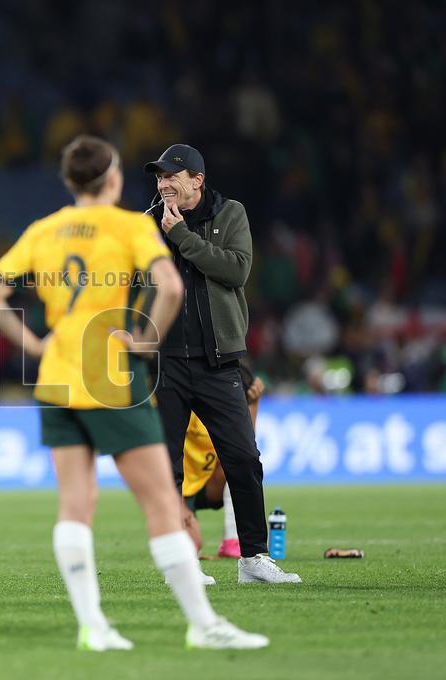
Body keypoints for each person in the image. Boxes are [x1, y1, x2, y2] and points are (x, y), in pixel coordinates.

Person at [0, 135, 268, 651]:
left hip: (58, 376)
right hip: (110, 374)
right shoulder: (131, 225)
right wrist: (149, 339)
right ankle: (204, 625)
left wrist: (38, 347)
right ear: (112, 180)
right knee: (159, 500)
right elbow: (171, 288)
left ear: (68, 182)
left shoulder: (44, 230)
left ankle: (93, 625)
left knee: (74, 505)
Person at [144, 143, 300, 584]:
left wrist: (181, 237)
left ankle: (253, 559)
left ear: (197, 179)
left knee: (244, 458)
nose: (162, 184)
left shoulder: (230, 214)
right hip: (166, 361)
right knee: (168, 467)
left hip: (218, 361)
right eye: (158, 178)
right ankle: (181, 562)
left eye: (171, 176)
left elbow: (235, 271)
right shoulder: (146, 226)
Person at [181, 364, 264, 558]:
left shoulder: (232, 413)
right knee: (190, 548)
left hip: (207, 484)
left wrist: (253, 403)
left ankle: (232, 540)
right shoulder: (192, 405)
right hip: (177, 485)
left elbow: (246, 449)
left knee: (240, 464)